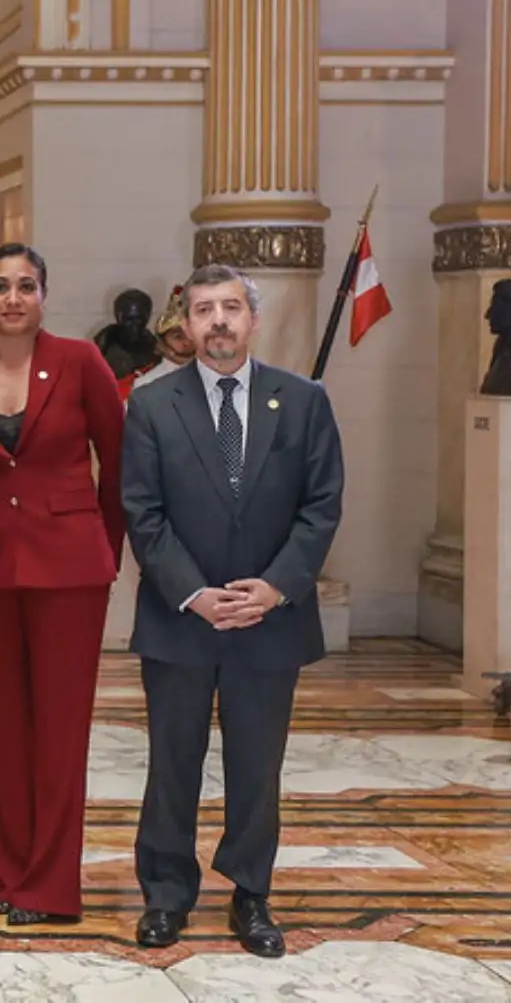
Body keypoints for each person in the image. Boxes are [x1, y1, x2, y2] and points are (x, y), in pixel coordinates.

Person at [123, 263, 344, 958]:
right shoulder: (152, 405)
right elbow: (143, 510)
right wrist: (194, 592)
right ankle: (166, 892)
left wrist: (276, 586)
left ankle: (251, 892)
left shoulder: (303, 400)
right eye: (202, 310)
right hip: (179, 617)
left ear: (252, 318)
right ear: (184, 325)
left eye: (230, 308)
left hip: (268, 619)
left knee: (257, 766)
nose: (217, 320)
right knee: (173, 761)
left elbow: (322, 505)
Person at [0, 244, 124, 925]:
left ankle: (50, 886)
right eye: (1, 285)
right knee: (3, 726)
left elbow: (119, 459)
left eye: (26, 285)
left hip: (71, 572)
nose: (14, 297)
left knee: (59, 730)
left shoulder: (81, 361)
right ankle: (8, 872)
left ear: (44, 293)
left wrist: (103, 549)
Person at [130, 285, 193, 395]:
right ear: (162, 341)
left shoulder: (215, 378)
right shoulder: (146, 384)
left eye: (191, 334)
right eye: (178, 337)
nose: (187, 342)